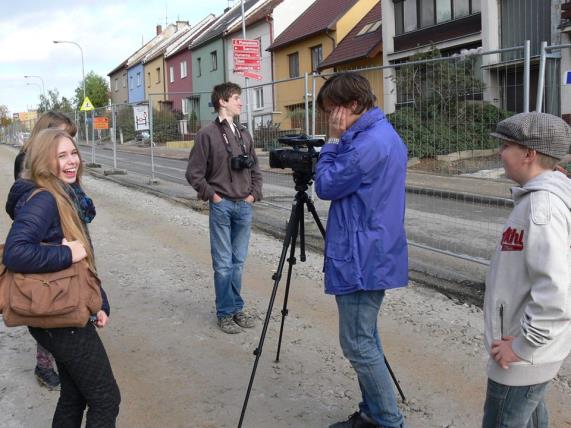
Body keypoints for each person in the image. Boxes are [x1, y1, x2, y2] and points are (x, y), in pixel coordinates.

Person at [3, 128, 121, 426]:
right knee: (106, 399)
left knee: (74, 395)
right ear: (44, 161)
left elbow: (84, 261)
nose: (72, 162)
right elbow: (16, 252)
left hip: (59, 311)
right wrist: (66, 254)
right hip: (59, 316)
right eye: (61, 156)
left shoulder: (63, 194)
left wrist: (99, 302)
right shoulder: (44, 200)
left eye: (74, 153)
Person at [314, 72, 408, 428]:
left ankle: (387, 420)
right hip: (372, 249)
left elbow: (325, 184)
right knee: (365, 337)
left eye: (332, 110)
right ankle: (374, 412)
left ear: (352, 105)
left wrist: (331, 143)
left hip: (361, 255)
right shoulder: (379, 134)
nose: (330, 118)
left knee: (357, 344)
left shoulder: (367, 144)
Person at [482, 112, 571, 428]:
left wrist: (521, 347)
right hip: (528, 353)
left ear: (529, 154)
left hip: (522, 355)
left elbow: (557, 292)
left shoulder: (541, 208)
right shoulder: (536, 200)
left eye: (506, 145)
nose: (500, 152)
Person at [186, 82, 263, 334]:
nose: (241, 102)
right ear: (222, 102)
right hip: (222, 206)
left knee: (238, 262)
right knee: (223, 263)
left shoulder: (244, 133)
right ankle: (225, 313)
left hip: (244, 206)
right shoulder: (206, 134)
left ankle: (236, 308)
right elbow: (194, 174)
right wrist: (214, 197)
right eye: (236, 98)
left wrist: (253, 195)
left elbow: (256, 170)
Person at [13, 111, 78, 391]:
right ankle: (44, 364)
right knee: (46, 305)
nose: (70, 157)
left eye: (72, 145)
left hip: (65, 242)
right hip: (50, 250)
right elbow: (24, 204)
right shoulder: (28, 166)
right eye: (62, 146)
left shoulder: (66, 175)